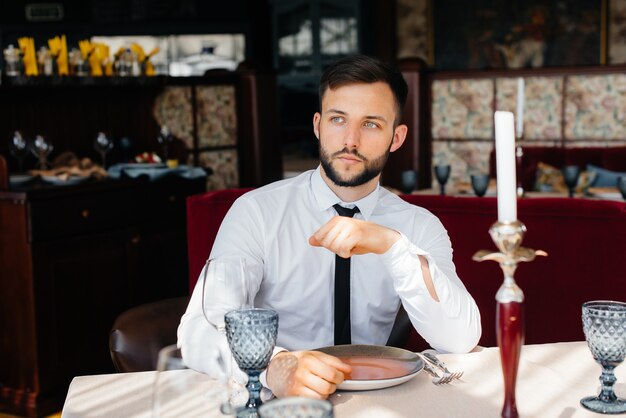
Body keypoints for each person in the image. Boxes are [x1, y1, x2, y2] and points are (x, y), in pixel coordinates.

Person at [178, 54, 481, 400]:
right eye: (338, 119)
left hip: (378, 403)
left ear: (396, 137)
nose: (350, 140)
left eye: (371, 124)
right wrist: (273, 366)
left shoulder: (418, 226)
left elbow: (459, 338)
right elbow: (197, 329)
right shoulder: (257, 212)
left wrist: (395, 247)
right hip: (280, 401)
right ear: (318, 125)